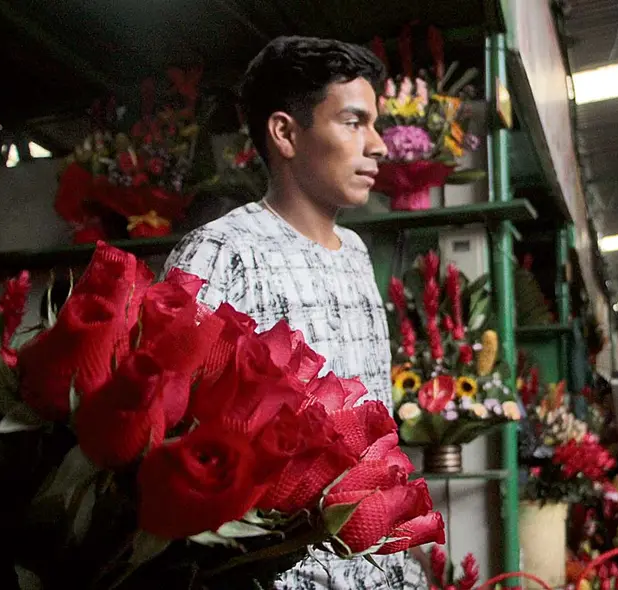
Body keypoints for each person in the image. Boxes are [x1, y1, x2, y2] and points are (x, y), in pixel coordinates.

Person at [164, 36, 423, 589]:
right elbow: (166, 430)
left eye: (374, 125)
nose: (376, 145)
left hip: (371, 565)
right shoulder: (223, 252)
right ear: (284, 133)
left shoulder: (354, 253)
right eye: (354, 122)